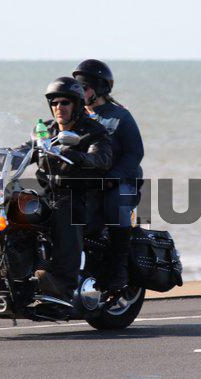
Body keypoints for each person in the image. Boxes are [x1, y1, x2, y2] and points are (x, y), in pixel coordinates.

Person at [22, 76, 112, 300]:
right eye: (54, 103)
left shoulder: (93, 131)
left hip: (83, 196)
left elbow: (101, 158)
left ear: (77, 104)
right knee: (17, 204)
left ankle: (63, 282)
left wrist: (78, 156)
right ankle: (16, 271)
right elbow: (25, 150)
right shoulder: (45, 130)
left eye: (65, 102)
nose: (58, 107)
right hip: (50, 192)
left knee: (65, 211)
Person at [73, 59, 144, 291]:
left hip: (120, 182)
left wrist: (113, 177)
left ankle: (118, 268)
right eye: (76, 88)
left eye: (84, 88)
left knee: (115, 205)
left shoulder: (120, 116)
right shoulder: (76, 117)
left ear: (99, 88)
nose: (79, 93)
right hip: (87, 182)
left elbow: (135, 153)